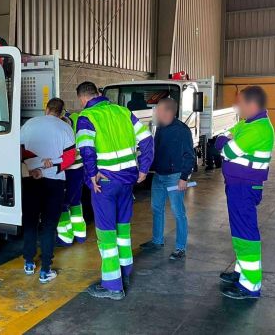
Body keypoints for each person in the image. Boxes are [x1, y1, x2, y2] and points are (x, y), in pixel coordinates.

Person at [75, 82, 154, 300]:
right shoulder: (123, 112)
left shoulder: (86, 117)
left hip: (105, 183)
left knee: (106, 234)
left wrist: (92, 174)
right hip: (127, 182)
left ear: (82, 99)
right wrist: (144, 168)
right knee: (123, 230)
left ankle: (112, 286)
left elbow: (87, 149)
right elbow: (147, 139)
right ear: (98, 93)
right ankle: (125, 273)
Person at [214, 86, 275, 299]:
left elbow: (226, 149)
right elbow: (222, 137)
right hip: (238, 185)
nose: (236, 107)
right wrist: (225, 140)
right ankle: (241, 273)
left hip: (244, 187)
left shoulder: (258, 128)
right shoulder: (247, 124)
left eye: (239, 103)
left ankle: (250, 285)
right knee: (239, 230)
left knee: (245, 233)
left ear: (251, 104)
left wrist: (225, 142)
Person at [21, 97, 76, 284]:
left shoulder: (29, 124)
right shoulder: (65, 128)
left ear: (46, 109)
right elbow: (70, 157)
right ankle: (45, 270)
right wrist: (51, 164)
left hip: (30, 179)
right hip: (55, 182)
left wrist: (35, 166)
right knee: (49, 226)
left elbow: (18, 149)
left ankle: (29, 263)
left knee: (30, 222)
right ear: (61, 112)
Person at [140, 98, 195, 260]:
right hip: (159, 175)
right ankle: (157, 241)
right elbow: (156, 150)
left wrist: (184, 178)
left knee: (178, 212)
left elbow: (189, 155)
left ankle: (180, 248)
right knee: (156, 208)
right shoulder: (161, 128)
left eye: (159, 110)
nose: (156, 113)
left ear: (169, 112)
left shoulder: (182, 130)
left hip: (175, 177)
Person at [56, 110, 88, 246]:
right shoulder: (76, 127)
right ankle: (80, 234)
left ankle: (66, 237)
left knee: (62, 204)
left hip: (67, 172)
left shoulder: (61, 133)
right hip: (79, 171)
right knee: (76, 202)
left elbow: (61, 157)